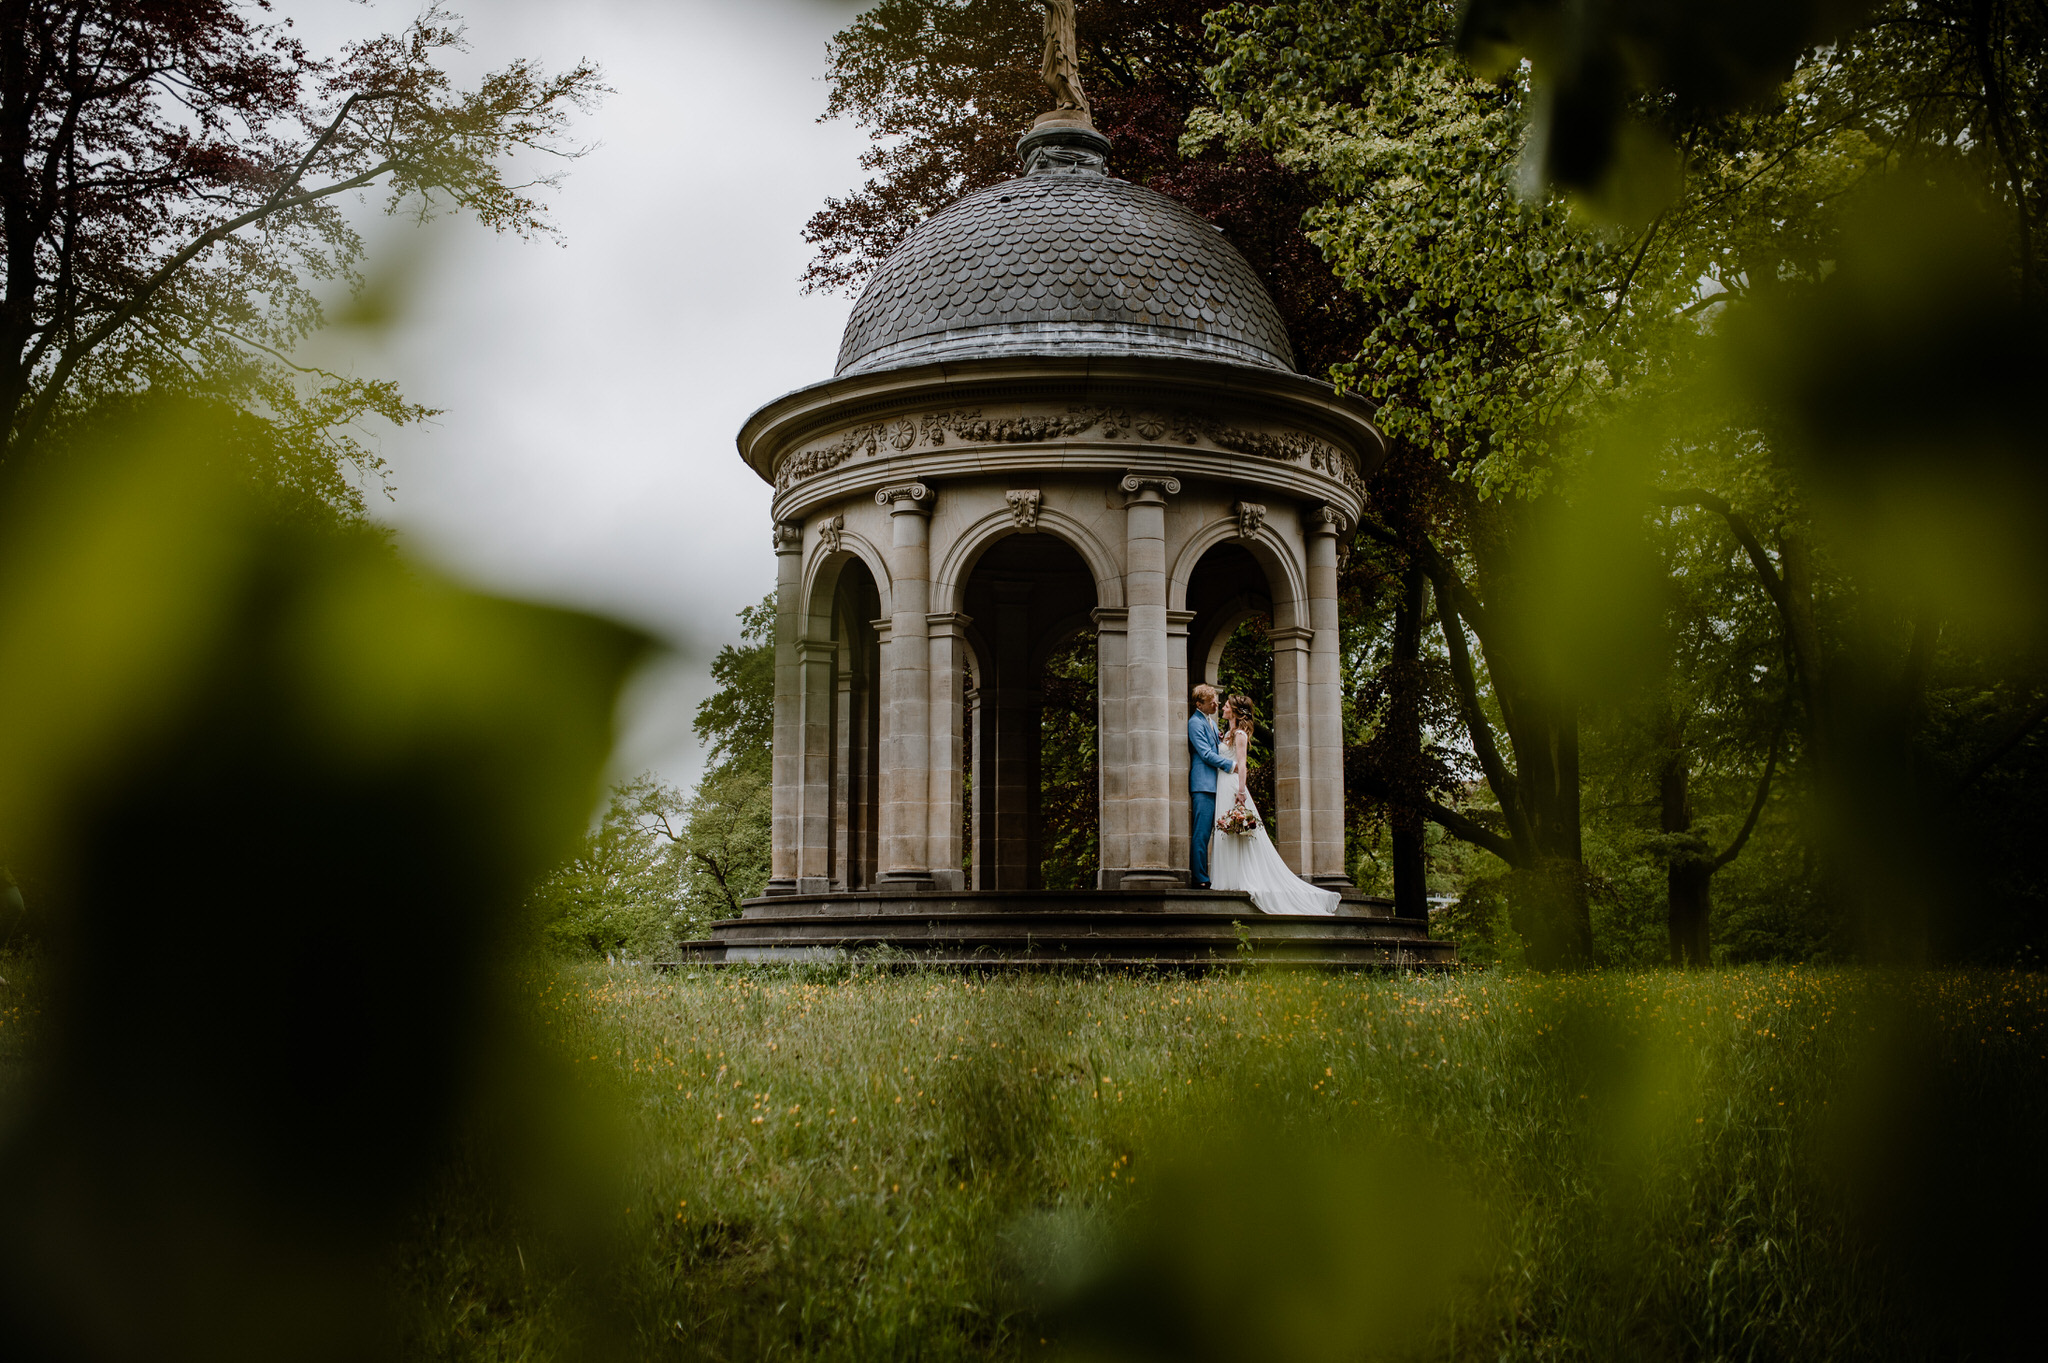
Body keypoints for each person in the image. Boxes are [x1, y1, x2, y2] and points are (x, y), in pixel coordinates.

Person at [1209, 694, 1340, 916]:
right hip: (1222, 784)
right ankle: (1227, 878)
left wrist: (1241, 792)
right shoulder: (1227, 734)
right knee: (1225, 832)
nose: (1223, 707)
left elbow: (1242, 765)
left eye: (1227, 705)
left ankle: (1241, 877)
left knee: (1238, 833)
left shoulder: (1239, 734)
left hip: (1232, 786)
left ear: (1236, 711)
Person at [1186, 684, 1235, 889]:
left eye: (1216, 700)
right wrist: (1231, 765)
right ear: (1199, 704)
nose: (1216, 704)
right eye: (1212, 702)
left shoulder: (1212, 723)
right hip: (1203, 785)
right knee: (1202, 832)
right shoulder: (1194, 723)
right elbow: (1205, 754)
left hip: (1217, 784)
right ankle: (1200, 878)